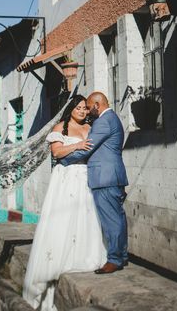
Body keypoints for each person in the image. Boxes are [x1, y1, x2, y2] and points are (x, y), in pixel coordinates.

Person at [22, 95, 106, 310]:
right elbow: (57, 152)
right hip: (66, 178)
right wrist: (77, 145)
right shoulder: (62, 127)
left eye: (85, 109)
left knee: (87, 217)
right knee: (65, 220)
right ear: (70, 109)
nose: (82, 111)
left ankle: (85, 257)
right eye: (78, 108)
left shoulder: (90, 127)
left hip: (86, 176)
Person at [59, 91, 128, 274]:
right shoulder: (112, 118)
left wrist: (63, 161)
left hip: (105, 177)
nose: (88, 112)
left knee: (111, 219)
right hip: (111, 176)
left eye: (89, 107)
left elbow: (87, 149)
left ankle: (114, 259)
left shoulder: (104, 121)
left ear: (97, 105)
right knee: (118, 217)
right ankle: (121, 255)